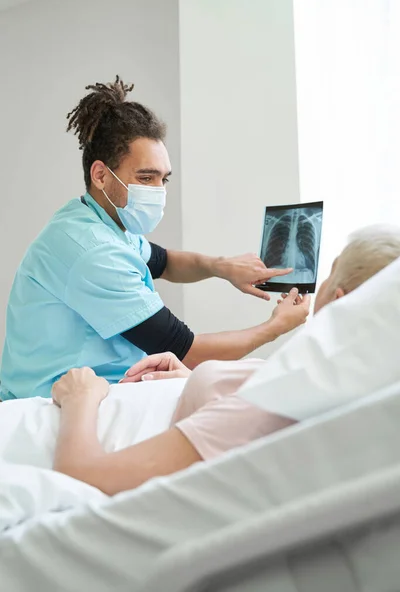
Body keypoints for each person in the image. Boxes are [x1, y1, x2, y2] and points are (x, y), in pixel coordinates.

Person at [0, 76, 307, 401]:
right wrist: (276, 327)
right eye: (146, 178)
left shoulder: (98, 219)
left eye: (163, 179)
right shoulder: (92, 250)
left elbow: (164, 262)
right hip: (50, 405)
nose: (158, 191)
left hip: (98, 391)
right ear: (101, 175)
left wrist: (221, 267)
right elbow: (185, 350)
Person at [50, 224, 400, 495]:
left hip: (83, 423)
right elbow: (165, 261)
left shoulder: (270, 407)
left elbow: (84, 477)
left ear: (343, 300)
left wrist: (80, 398)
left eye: (330, 273)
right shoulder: (343, 393)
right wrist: (191, 381)